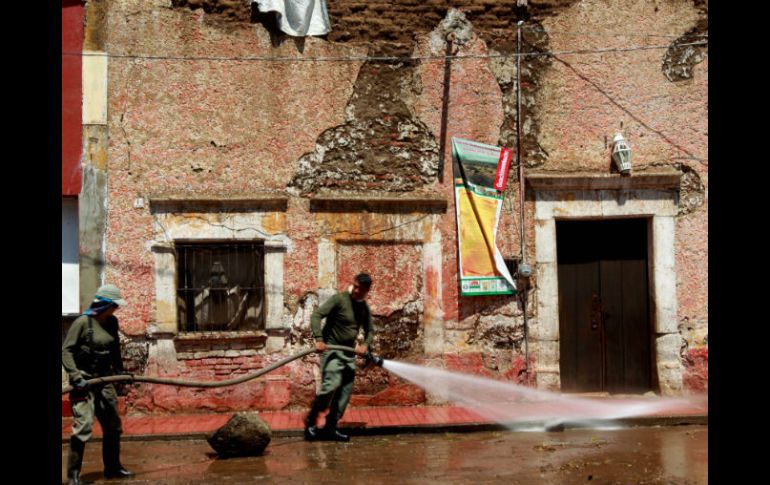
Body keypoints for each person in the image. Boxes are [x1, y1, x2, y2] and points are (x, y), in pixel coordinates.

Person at [62, 284, 134, 485]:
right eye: (114, 306)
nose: (116, 309)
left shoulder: (112, 322)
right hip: (83, 382)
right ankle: (74, 475)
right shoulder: (83, 322)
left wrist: (120, 372)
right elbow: (66, 352)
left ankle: (113, 468)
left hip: (105, 381)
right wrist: (75, 376)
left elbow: (114, 350)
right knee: (83, 426)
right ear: (105, 305)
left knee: (113, 426)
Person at [304, 273, 375, 442]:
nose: (356, 290)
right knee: (331, 385)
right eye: (355, 286)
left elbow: (370, 330)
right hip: (332, 351)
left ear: (367, 291)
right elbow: (316, 315)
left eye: (361, 289)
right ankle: (311, 423)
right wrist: (319, 339)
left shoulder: (363, 307)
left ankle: (330, 428)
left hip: (348, 354)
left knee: (344, 394)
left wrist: (365, 345)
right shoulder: (339, 299)